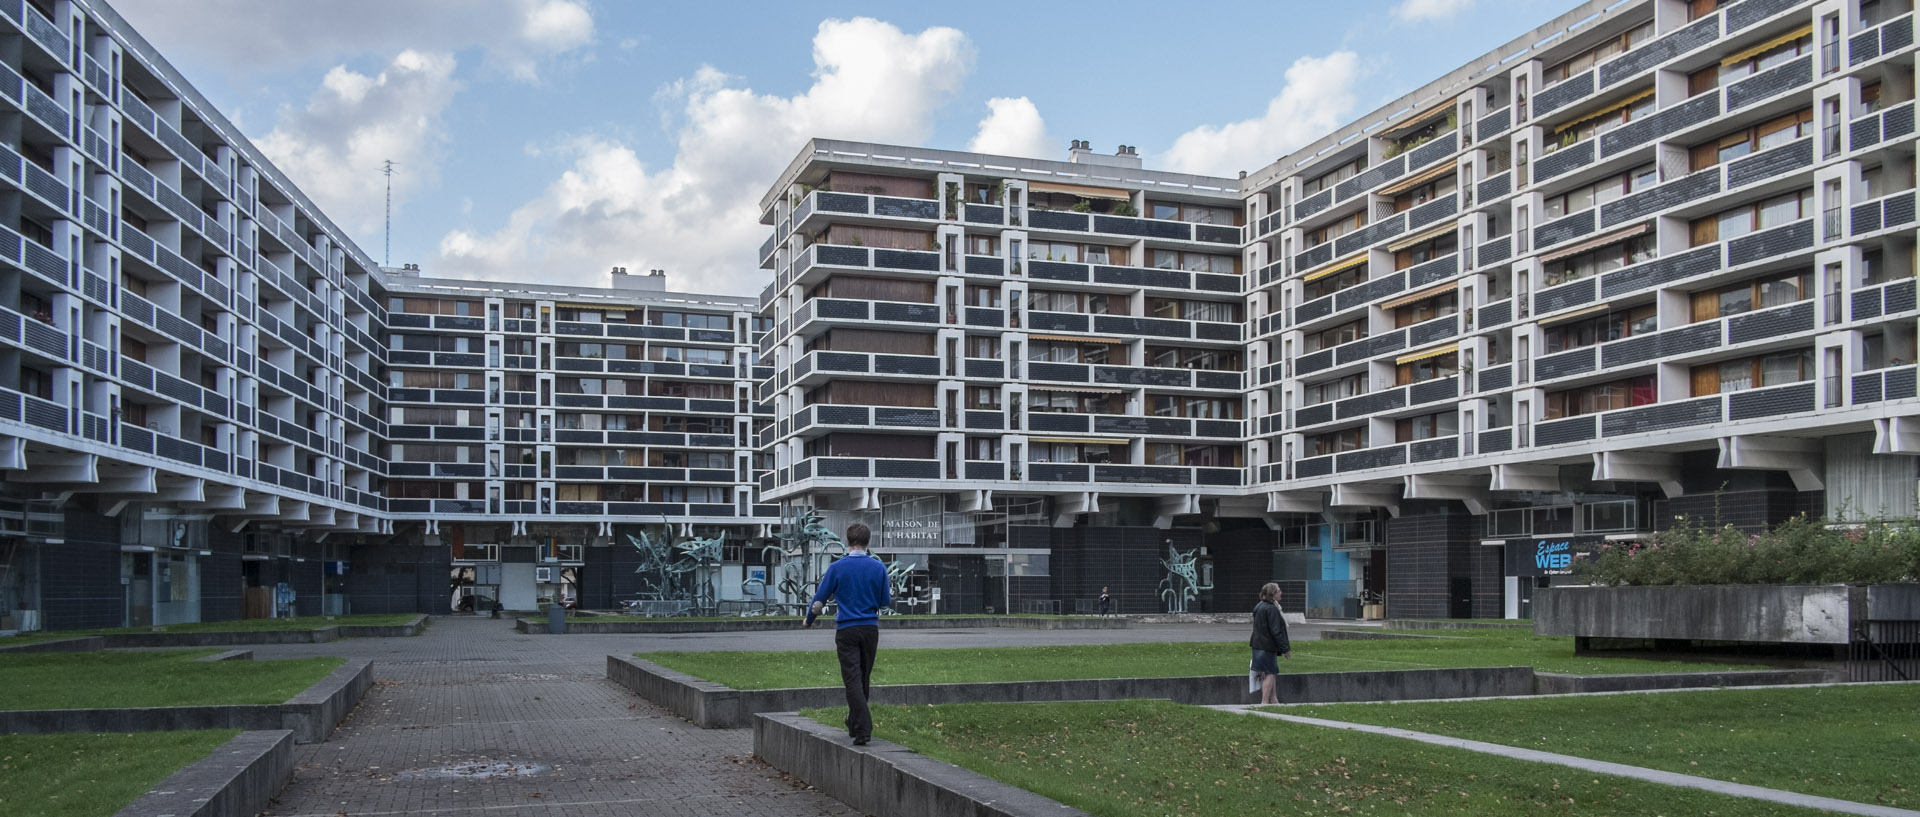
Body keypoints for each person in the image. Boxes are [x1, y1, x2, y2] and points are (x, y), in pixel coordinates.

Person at [805, 523, 891, 746]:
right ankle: (855, 723)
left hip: (847, 629)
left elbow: (819, 600)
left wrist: (808, 620)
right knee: (863, 679)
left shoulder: (837, 568)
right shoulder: (878, 567)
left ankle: (863, 728)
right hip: (870, 629)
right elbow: (884, 602)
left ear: (847, 541)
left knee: (852, 679)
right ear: (867, 541)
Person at [1249, 582, 1291, 704]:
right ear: (1273, 594)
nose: (1281, 593)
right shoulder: (1272, 609)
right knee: (1270, 673)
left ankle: (1274, 700)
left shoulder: (1259, 606)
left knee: (1270, 672)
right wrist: (1286, 649)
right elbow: (1276, 631)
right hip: (1267, 646)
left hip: (1258, 644)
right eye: (1279, 591)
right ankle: (1265, 702)